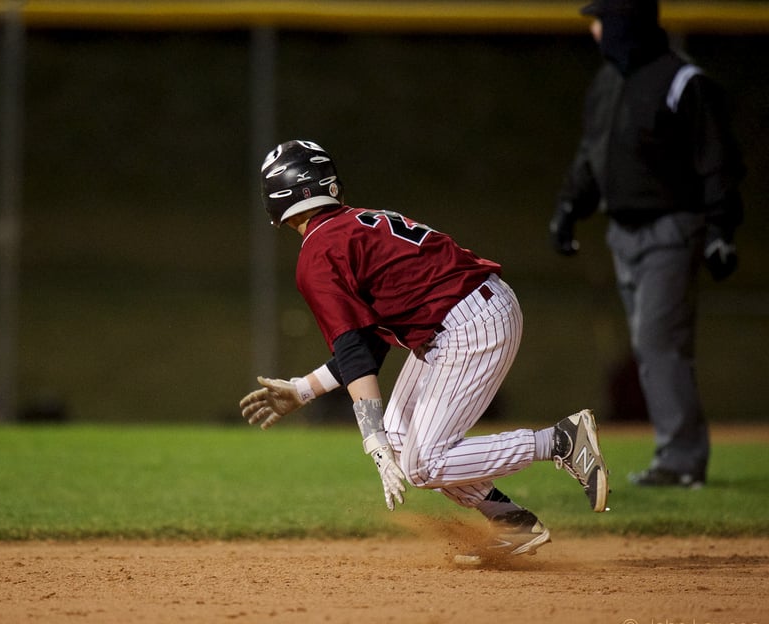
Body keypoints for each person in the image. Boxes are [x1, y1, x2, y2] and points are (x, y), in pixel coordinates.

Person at [240, 140, 609, 564]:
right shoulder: (350, 228)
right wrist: (305, 390)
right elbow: (369, 343)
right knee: (404, 443)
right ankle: (512, 522)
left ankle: (561, 440)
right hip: (466, 314)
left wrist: (371, 442)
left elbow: (355, 353)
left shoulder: (319, 252)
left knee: (423, 464)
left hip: (466, 322)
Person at [549, 0, 745, 488]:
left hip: (672, 229)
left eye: (600, 22)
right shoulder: (607, 82)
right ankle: (675, 456)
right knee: (648, 343)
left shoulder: (683, 80)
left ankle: (680, 460)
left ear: (623, 24)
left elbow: (717, 160)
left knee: (660, 342)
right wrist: (569, 209)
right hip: (623, 232)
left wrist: (722, 229)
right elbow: (591, 155)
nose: (595, 32)